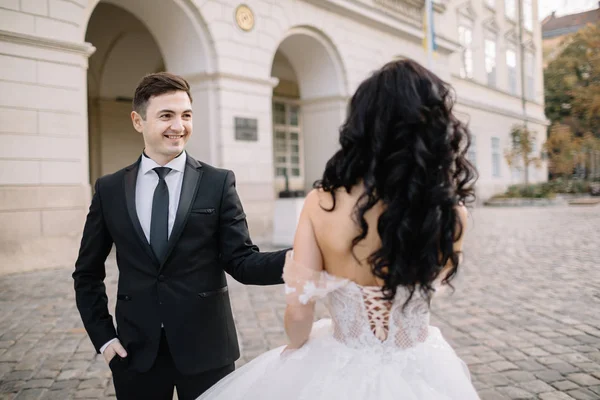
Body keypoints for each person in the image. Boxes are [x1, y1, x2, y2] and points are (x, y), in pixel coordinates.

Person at [198, 59, 480, 399]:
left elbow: (299, 314)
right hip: (421, 367)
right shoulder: (451, 214)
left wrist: (295, 347)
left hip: (337, 368)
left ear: (361, 125)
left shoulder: (322, 203)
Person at [72, 72, 287, 400]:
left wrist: (303, 259)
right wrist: (104, 339)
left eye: (186, 115)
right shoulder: (110, 189)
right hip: (135, 356)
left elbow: (243, 261)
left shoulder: (217, 183)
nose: (179, 126)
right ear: (138, 121)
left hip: (208, 352)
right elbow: (86, 273)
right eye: (166, 116)